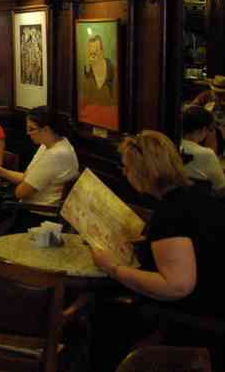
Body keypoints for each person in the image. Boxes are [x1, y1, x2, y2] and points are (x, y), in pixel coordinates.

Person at [90, 131, 225, 321]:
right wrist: (149, 242)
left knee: (103, 304)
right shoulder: (194, 192)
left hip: (199, 315)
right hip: (215, 296)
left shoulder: (171, 212)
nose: (124, 172)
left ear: (142, 172)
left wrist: (112, 268)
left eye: (127, 168)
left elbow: (177, 286)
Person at [0, 106, 78, 207]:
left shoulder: (55, 155)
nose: (28, 133)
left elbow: (21, 193)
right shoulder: (50, 143)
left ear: (46, 129)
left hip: (39, 212)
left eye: (32, 129)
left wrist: (20, 185)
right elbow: (26, 177)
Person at [178, 105, 225, 193]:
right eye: (209, 130)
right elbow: (221, 187)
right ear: (203, 129)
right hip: (202, 204)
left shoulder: (169, 145)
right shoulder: (207, 154)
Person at [79, 34, 117, 130]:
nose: (93, 53)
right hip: (91, 119)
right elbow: (85, 98)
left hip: (109, 118)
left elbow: (116, 98)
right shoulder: (87, 70)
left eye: (96, 50)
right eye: (91, 52)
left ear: (102, 51)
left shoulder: (111, 68)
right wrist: (88, 71)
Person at [191, 74, 225, 153]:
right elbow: (191, 109)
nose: (219, 95)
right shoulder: (205, 96)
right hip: (206, 127)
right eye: (217, 93)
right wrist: (204, 110)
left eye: (222, 93)